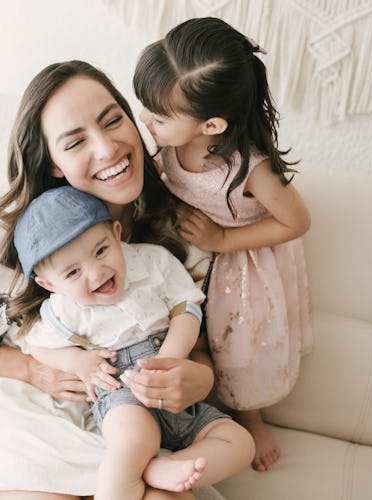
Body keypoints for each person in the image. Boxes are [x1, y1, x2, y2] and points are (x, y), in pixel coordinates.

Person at [0, 60, 231, 500]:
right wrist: (30, 369)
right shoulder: (22, 234)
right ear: (54, 164)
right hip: (24, 401)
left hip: (134, 411)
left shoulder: (183, 231)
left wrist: (199, 379)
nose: (107, 148)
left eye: (113, 120)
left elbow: (199, 349)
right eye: (75, 142)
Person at [134, 17, 313, 472]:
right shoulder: (170, 142)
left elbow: (296, 221)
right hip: (192, 253)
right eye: (145, 108)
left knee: (237, 346)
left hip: (242, 259)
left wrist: (224, 239)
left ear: (211, 124)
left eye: (157, 116)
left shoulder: (249, 167)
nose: (144, 121)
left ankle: (251, 417)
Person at [12, 186, 254, 499]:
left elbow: (187, 308)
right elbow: (38, 347)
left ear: (116, 234)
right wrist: (79, 362)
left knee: (240, 443)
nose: (96, 272)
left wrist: (170, 357)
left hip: (176, 386)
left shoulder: (153, 261)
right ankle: (134, 472)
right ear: (49, 284)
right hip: (121, 391)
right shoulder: (62, 308)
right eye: (73, 272)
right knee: (133, 443)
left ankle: (162, 468)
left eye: (101, 251)